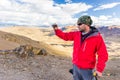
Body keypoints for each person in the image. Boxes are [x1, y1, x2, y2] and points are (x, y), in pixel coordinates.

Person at [52, 15, 108, 80]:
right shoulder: (77, 34)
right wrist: (56, 30)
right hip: (76, 66)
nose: (77, 26)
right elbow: (65, 36)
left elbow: (103, 54)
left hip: (88, 69)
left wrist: (99, 69)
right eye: (77, 24)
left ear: (86, 24)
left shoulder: (97, 38)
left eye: (79, 24)